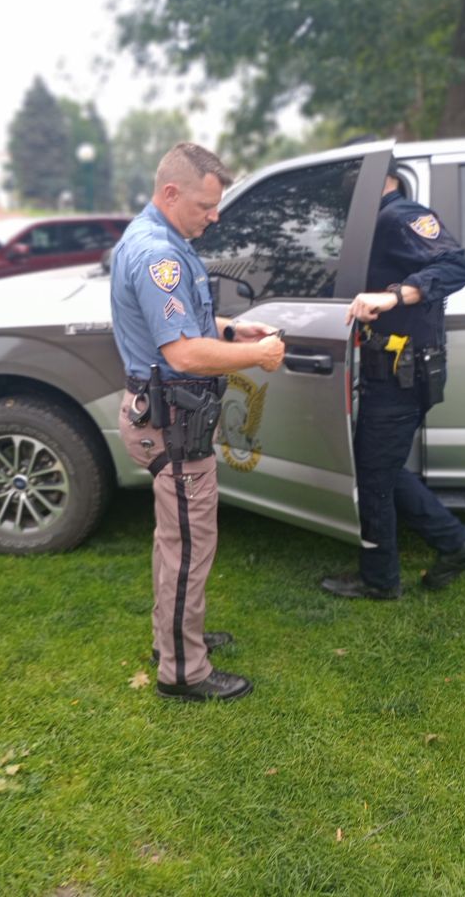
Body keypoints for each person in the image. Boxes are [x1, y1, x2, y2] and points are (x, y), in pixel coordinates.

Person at [111, 142, 285, 701]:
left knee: (176, 542)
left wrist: (234, 332)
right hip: (173, 425)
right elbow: (184, 354)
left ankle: (178, 638)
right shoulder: (156, 255)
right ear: (170, 193)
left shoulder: (163, 241)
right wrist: (259, 358)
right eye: (206, 206)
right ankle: (184, 671)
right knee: (188, 546)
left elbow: (190, 320)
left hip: (168, 416)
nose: (215, 216)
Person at [321, 159, 465, 600]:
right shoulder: (379, 223)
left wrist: (392, 295)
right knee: (381, 467)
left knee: (374, 477)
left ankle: (381, 579)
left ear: (374, 178)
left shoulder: (401, 216)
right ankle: (457, 544)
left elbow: (456, 266)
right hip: (394, 372)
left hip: (400, 377)